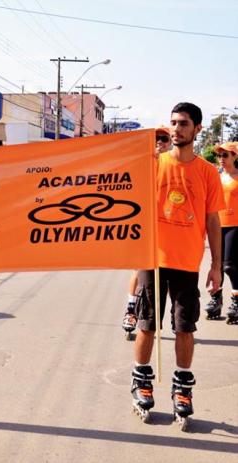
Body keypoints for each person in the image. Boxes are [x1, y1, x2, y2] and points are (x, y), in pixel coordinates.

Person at [130, 103, 224, 430]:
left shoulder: (208, 172)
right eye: (173, 123)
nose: (176, 128)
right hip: (153, 258)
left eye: (183, 123)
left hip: (187, 262)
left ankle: (182, 389)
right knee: (146, 323)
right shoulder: (154, 165)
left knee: (185, 327)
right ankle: (141, 380)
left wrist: (216, 265)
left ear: (197, 128)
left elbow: (213, 220)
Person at [122, 127, 173, 338]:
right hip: (144, 227)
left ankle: (174, 316)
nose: (159, 141)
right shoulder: (144, 163)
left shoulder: (175, 165)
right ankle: (131, 310)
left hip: (170, 229)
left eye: (164, 138)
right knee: (140, 269)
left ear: (171, 141)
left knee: (168, 277)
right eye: (156, 138)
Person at [206, 141, 238, 324]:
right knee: (216, 265)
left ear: (235, 156)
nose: (221, 159)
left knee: (229, 265)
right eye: (219, 155)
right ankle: (216, 300)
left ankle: (236, 301)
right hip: (217, 225)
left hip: (235, 225)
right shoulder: (216, 177)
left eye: (225, 155)